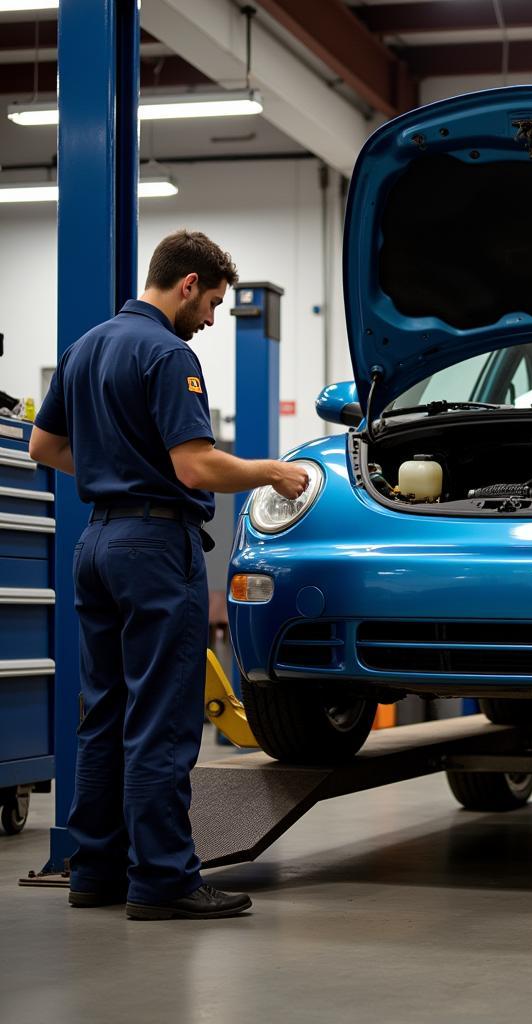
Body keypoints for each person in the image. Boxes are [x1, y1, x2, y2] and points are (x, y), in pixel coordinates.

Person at [29, 229, 309, 920]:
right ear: (187, 284)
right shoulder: (166, 352)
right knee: (160, 718)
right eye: (212, 302)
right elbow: (196, 467)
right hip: (154, 548)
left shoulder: (84, 346)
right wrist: (272, 471)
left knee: (105, 714)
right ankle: (164, 880)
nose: (212, 318)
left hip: (97, 541)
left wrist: (111, 474)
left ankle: (94, 872)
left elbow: (43, 445)